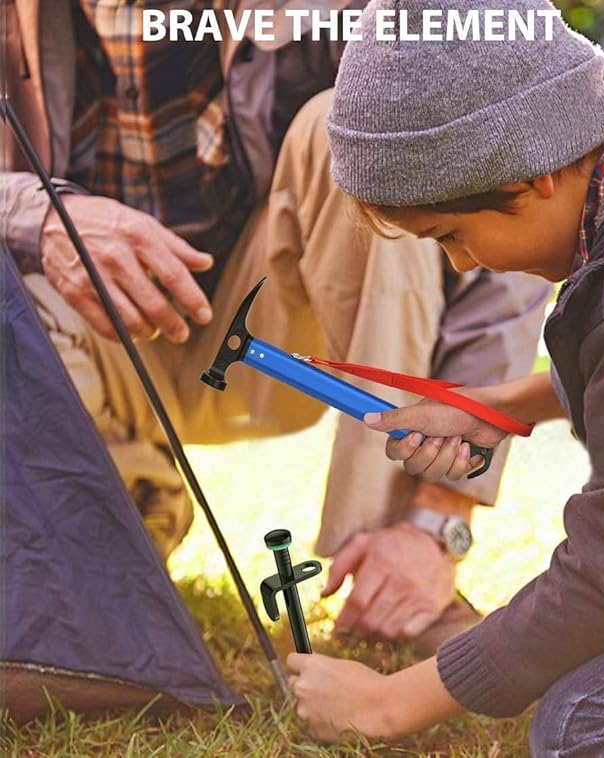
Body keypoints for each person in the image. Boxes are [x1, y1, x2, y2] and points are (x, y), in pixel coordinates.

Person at [2, 0, 549, 652]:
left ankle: (387, 568)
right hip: (82, 336)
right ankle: (129, 489)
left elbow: (501, 245)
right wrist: (40, 214)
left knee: (353, 136)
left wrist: (438, 521)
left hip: (270, 338)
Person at [286, 0, 604, 753]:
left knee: (585, 730)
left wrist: (385, 704)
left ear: (532, 173)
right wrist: (504, 404)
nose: (465, 265)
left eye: (452, 236)